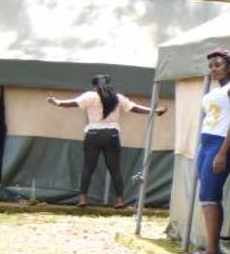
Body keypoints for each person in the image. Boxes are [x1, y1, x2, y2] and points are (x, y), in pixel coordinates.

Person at [46, 75, 165, 208]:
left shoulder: (90, 96)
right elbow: (134, 108)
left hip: (93, 134)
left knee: (88, 168)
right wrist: (154, 111)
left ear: (94, 86)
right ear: (109, 85)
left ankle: (82, 199)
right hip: (112, 134)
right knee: (114, 169)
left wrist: (55, 101)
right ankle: (119, 201)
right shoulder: (118, 97)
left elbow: (71, 103)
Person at [190, 47, 230, 254]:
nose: (213, 69)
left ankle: (213, 251)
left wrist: (223, 152)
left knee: (210, 194)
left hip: (223, 143)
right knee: (205, 194)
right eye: (211, 66)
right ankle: (210, 248)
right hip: (206, 143)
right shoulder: (212, 92)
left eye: (218, 65)